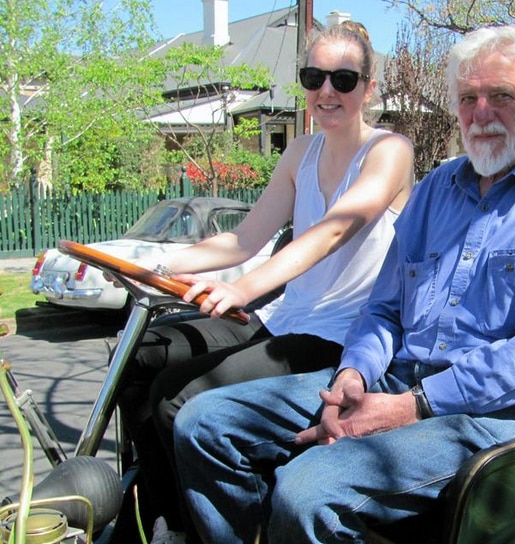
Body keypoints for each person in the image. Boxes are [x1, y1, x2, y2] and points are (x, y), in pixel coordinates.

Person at [174, 24, 515, 544]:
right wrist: (354, 375)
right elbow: (385, 308)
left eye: (501, 96)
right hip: (394, 379)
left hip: (496, 411)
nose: (480, 113)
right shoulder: (440, 187)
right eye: (467, 97)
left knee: (305, 491)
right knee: (203, 423)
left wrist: (412, 406)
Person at [116, 20, 414, 544]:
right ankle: (161, 520)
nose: (327, 91)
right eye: (314, 76)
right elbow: (244, 239)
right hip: (283, 320)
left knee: (178, 399)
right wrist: (160, 266)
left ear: (369, 88)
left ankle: (241, 529)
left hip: (339, 337)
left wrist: (245, 288)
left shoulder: (389, 151)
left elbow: (333, 231)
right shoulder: (300, 153)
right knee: (145, 355)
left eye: (344, 80)